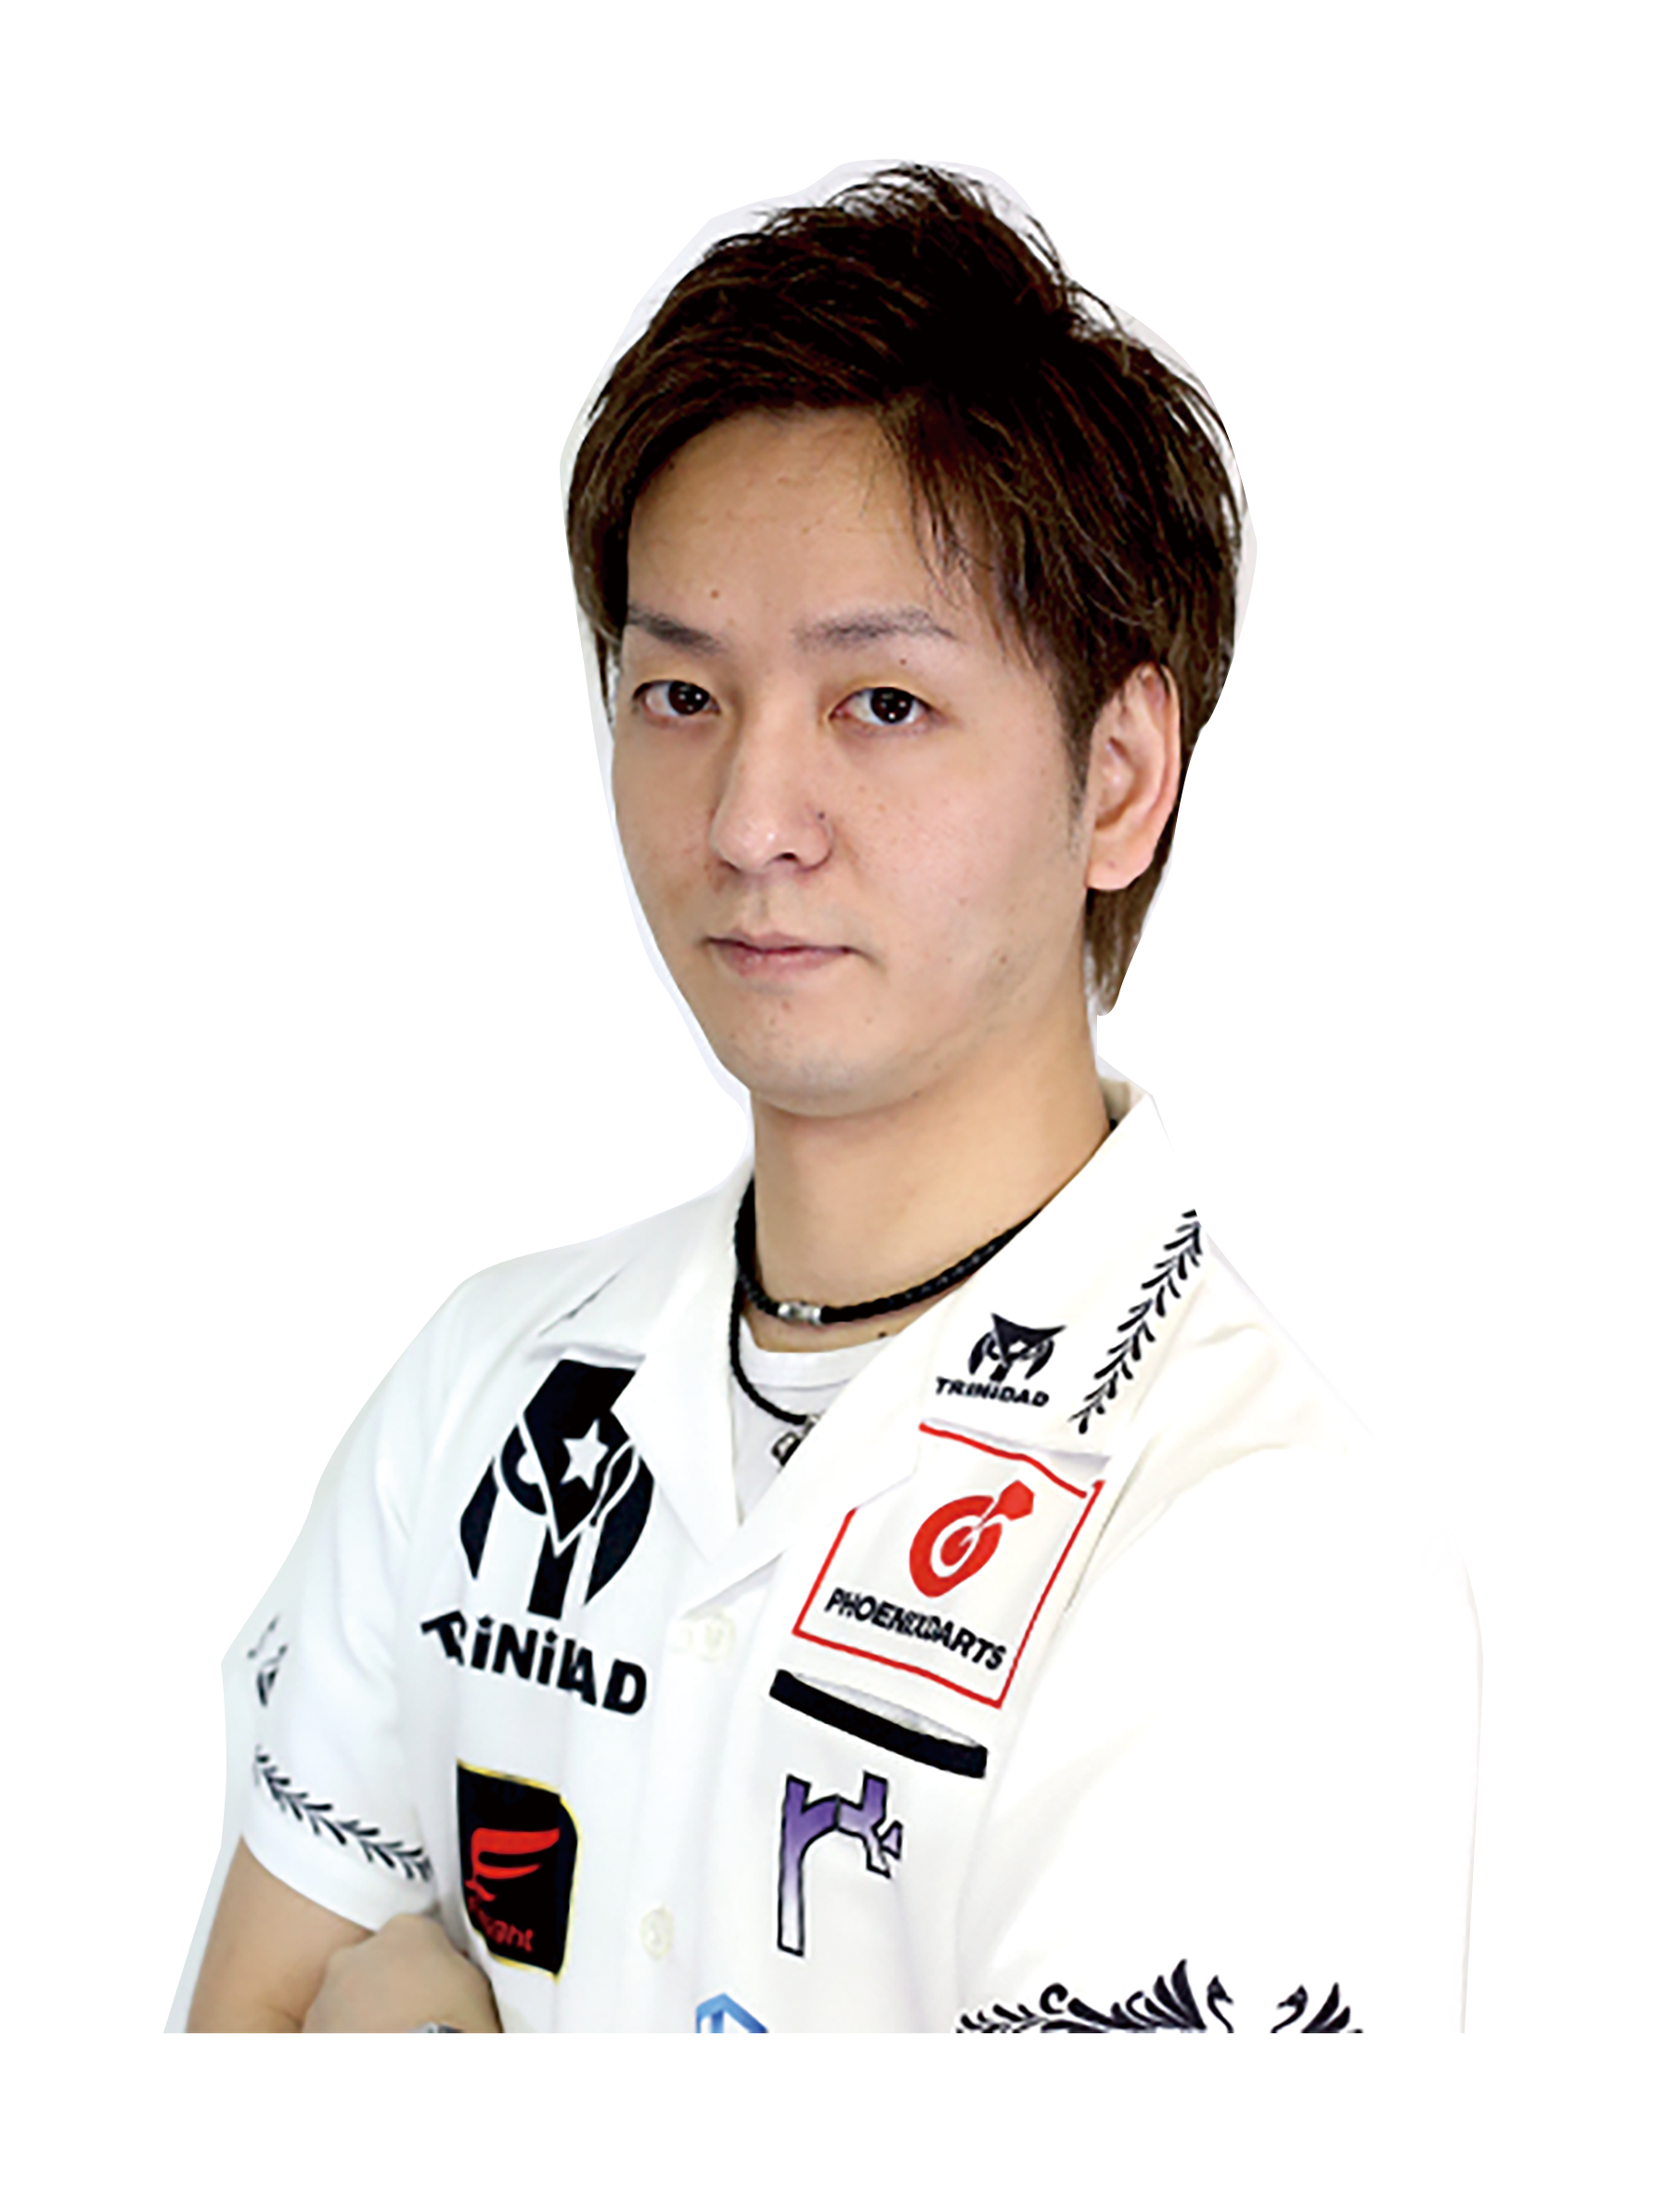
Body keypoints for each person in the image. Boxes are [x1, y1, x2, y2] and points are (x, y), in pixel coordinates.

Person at [184, 162, 1480, 2035]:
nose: (746, 820)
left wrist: (421, 2038)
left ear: (1120, 777)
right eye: (679, 696)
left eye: (880, 703)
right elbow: (215, 2081)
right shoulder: (480, 1388)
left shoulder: (1256, 1555)